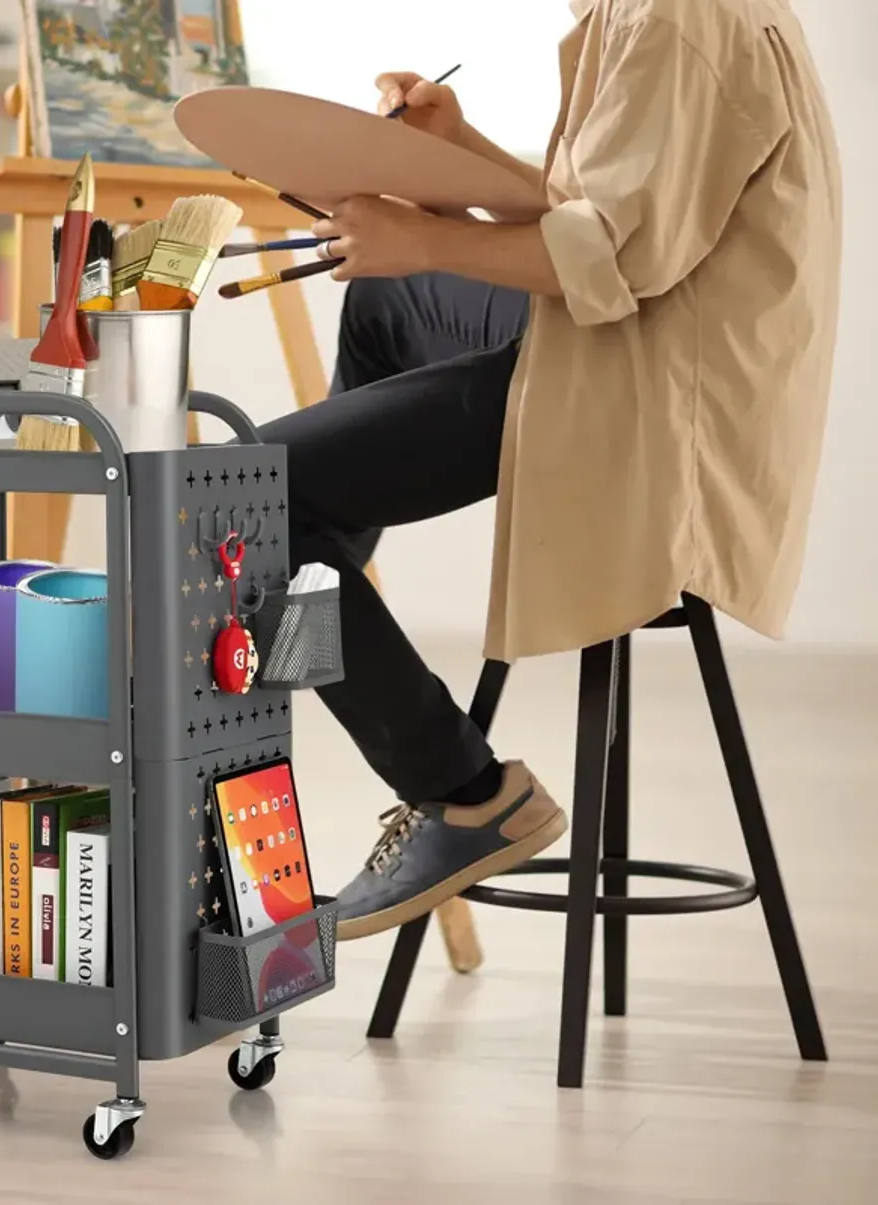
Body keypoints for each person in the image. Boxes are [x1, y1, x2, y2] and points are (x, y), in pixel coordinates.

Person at [257, 0, 841, 942]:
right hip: (635, 345)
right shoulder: (644, 9)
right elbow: (604, 213)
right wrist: (459, 152)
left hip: (649, 401)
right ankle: (305, 614)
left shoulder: (676, 17)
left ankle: (469, 794)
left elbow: (606, 257)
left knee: (255, 493)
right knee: (383, 303)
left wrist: (429, 235)